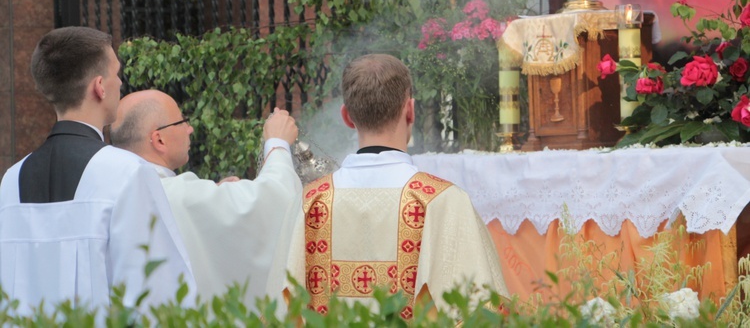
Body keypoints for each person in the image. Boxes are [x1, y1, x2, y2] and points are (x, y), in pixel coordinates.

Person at [281, 54, 509, 319]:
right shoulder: (443, 201)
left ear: (346, 116)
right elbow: (479, 314)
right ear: (410, 110)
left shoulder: (309, 203)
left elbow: (283, 312)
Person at [0, 27, 196, 316]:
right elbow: (158, 298)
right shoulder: (128, 174)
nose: (120, 82)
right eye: (117, 73)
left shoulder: (11, 180)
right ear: (100, 86)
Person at [110, 90, 302, 308]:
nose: (190, 128)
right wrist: (277, 144)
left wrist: (218, 193)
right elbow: (272, 200)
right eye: (182, 121)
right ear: (159, 139)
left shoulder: (120, 190)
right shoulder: (174, 195)